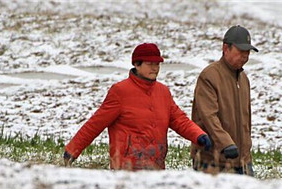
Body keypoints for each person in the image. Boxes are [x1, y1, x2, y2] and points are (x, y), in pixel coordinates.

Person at [63, 43, 212, 170]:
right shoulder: (120, 91)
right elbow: (96, 123)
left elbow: (180, 120)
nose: (155, 68)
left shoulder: (163, 92)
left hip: (156, 167)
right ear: (136, 64)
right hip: (126, 169)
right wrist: (72, 150)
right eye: (150, 64)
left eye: (157, 64)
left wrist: (199, 136)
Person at [190, 25, 258, 176]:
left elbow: (245, 121)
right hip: (213, 161)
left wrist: (246, 152)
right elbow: (209, 117)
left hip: (242, 162)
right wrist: (226, 144)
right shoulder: (209, 76)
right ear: (225, 48)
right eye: (241, 51)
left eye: (247, 52)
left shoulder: (244, 79)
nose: (245, 56)